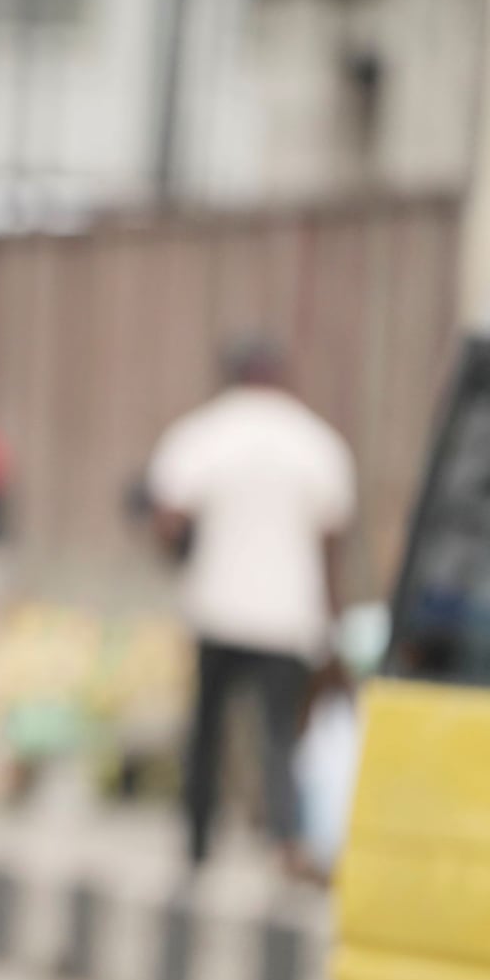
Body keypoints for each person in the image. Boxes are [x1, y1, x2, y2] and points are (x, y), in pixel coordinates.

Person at [147, 338, 356, 870]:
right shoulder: (315, 441)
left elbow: (168, 522)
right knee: (280, 734)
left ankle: (198, 841)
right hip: (288, 616)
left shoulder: (203, 434)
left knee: (207, 731)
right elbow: (331, 544)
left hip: (217, 609)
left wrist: (183, 553)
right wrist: (333, 627)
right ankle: (282, 841)